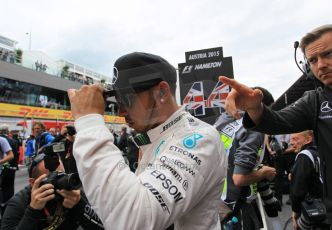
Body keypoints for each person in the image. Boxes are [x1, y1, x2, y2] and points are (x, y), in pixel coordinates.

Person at [68, 52, 227, 229]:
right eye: (117, 100)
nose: (121, 111)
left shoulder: (200, 138)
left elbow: (134, 219)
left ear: (162, 92)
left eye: (127, 99)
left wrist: (89, 123)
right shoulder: (154, 136)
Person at [219, 24, 332, 229]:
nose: (321, 65)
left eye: (329, 53)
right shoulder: (314, 101)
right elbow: (277, 121)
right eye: (312, 60)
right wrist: (254, 107)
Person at [214, 87, 277, 229]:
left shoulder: (222, 120)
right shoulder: (253, 128)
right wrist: (264, 173)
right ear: (260, 106)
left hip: (214, 202)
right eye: (269, 109)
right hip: (236, 207)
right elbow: (240, 178)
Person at [0, 152, 104, 230]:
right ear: (33, 183)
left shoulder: (72, 193)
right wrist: (33, 210)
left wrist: (79, 205)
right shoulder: (20, 201)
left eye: (61, 175)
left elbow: (100, 227)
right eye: (52, 177)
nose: (60, 181)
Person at [289, 130, 326, 230]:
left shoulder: (304, 156)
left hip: (312, 210)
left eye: (295, 139)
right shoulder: (320, 151)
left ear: (308, 139)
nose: (291, 142)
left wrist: (295, 211)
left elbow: (298, 190)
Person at [0, 125, 19, 215]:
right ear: (8, 131)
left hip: (3, 169)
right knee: (8, 190)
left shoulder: (2, 140)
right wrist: (15, 166)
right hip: (10, 168)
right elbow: (15, 155)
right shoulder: (13, 141)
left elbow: (11, 155)